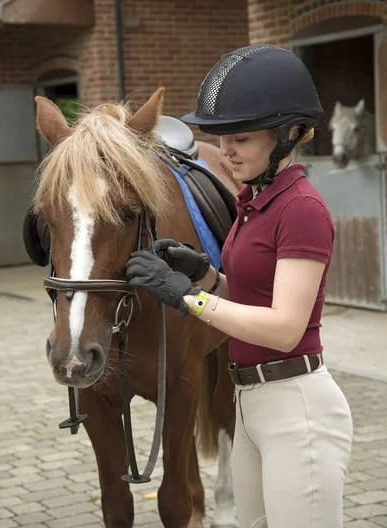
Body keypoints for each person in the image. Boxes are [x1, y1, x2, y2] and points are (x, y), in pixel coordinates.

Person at [125, 45, 353, 528]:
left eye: (241, 138)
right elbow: (254, 300)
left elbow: (285, 328)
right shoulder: (254, 202)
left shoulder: (301, 210)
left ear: (289, 134)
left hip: (296, 405)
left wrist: (188, 298)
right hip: (248, 403)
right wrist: (206, 276)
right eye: (221, 138)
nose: (225, 151)